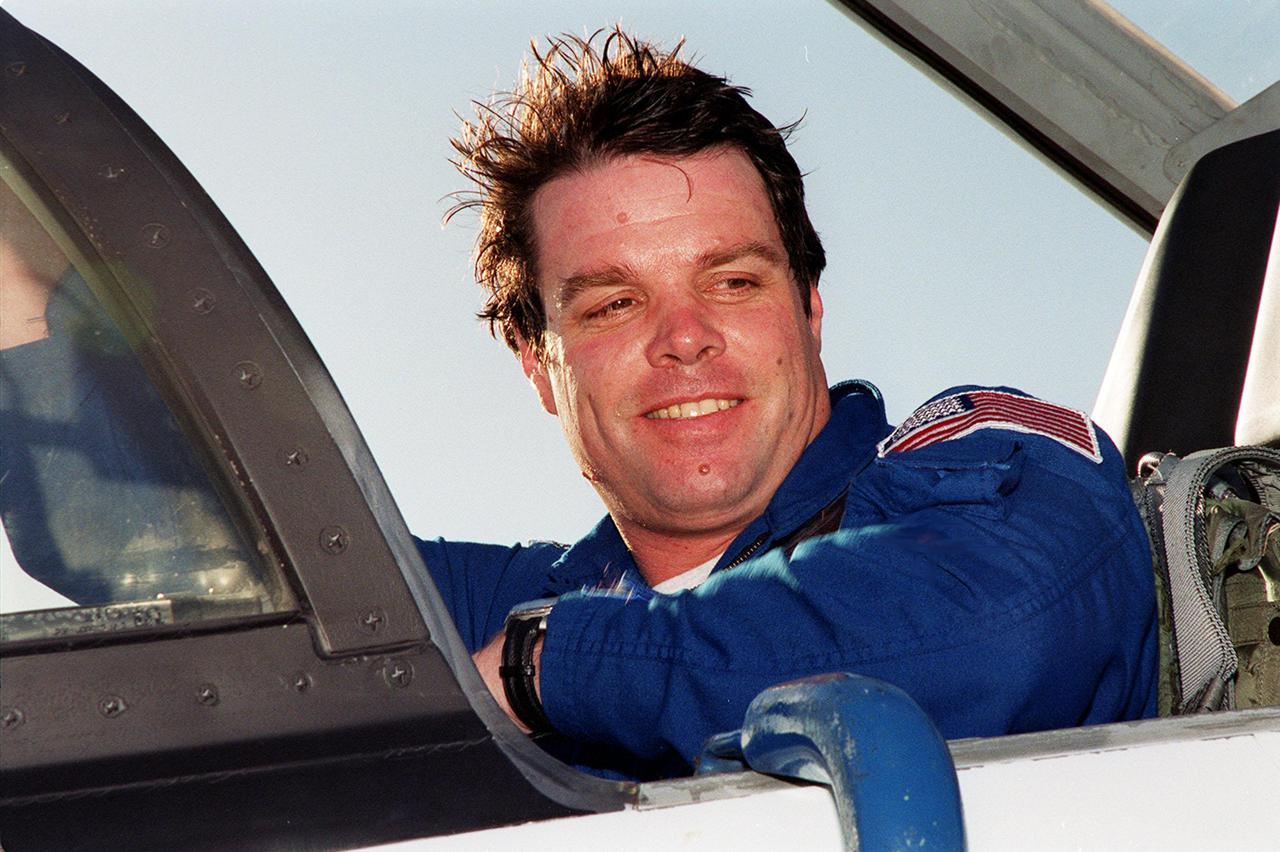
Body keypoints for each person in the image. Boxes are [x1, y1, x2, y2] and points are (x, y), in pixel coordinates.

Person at [417, 29, 1157, 778]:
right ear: (537, 362)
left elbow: (1004, 629)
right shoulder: (496, 605)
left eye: (733, 282)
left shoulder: (981, 464)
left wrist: (543, 669)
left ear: (808, 305)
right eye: (614, 304)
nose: (685, 338)